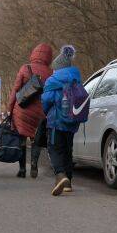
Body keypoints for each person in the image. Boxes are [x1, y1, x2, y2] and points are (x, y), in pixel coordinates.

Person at [41, 45, 82, 196]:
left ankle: (60, 176)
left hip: (55, 122)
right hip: (71, 122)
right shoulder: (76, 78)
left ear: (57, 68)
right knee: (67, 150)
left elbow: (46, 100)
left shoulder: (52, 81)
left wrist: (46, 113)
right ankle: (68, 183)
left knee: (54, 149)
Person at [8, 43, 53, 178]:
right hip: (40, 113)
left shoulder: (25, 68)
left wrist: (10, 109)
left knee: (21, 139)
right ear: (49, 57)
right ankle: (34, 165)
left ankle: (22, 169)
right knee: (36, 140)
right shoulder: (51, 73)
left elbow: (16, 90)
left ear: (34, 54)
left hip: (22, 110)